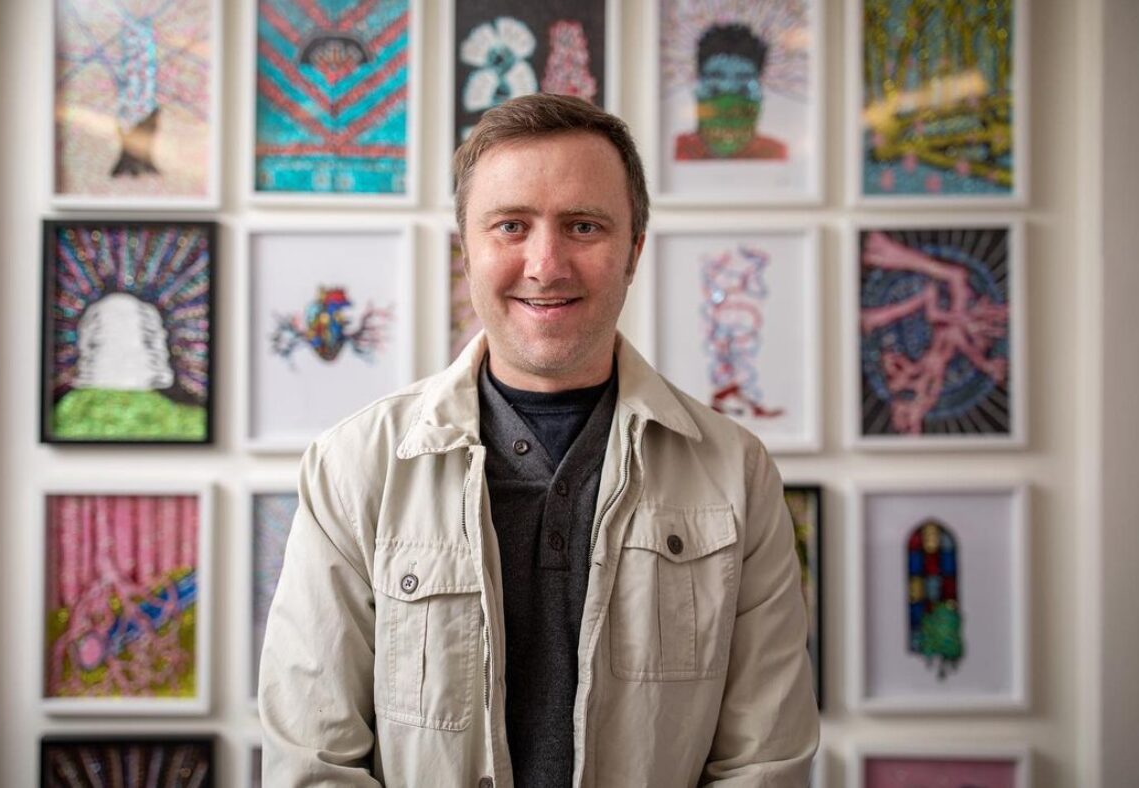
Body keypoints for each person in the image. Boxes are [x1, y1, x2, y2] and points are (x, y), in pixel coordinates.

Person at [259, 93, 819, 787]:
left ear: (632, 251)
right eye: (510, 226)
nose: (546, 264)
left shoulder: (736, 472)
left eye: (583, 226)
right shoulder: (354, 467)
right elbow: (314, 764)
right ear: (467, 247)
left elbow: (762, 765)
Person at [675, 23, 788, 161]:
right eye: (714, 90)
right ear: (697, 90)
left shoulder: (775, 153)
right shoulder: (678, 150)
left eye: (743, 90)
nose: (728, 106)